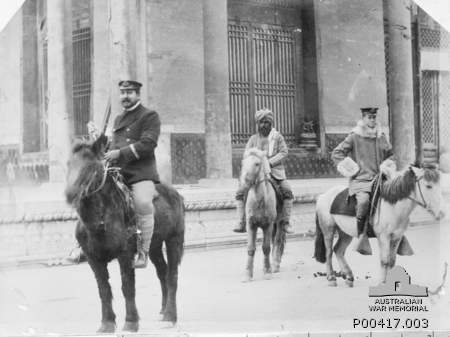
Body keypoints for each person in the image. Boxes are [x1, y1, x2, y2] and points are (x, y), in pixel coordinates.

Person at [67, 80, 160, 268]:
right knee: (89, 193)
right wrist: (99, 139)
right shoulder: (118, 119)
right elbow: (112, 147)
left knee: (142, 202)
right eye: (122, 92)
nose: (125, 96)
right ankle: (82, 244)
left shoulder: (149, 116)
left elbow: (148, 144)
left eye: (130, 92)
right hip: (117, 172)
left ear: (138, 95)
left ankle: (143, 251)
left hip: (140, 172)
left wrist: (120, 153)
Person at [331, 107, 394, 255]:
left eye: (374, 117)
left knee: (395, 199)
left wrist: (386, 165)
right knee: (364, 201)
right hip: (361, 180)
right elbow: (337, 153)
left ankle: (399, 236)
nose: (372, 120)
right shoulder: (354, 136)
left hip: (380, 179)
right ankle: (361, 235)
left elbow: (391, 154)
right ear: (363, 118)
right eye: (369, 117)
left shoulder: (381, 136)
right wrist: (352, 168)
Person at [233, 108, 294, 234]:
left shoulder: (277, 137)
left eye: (266, 122)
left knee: (287, 191)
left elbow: (284, 152)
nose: (264, 125)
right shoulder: (253, 139)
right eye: (261, 122)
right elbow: (246, 155)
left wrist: (269, 162)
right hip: (256, 174)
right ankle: (241, 221)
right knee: (240, 192)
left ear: (271, 123)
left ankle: (285, 222)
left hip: (275, 172)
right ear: (258, 124)